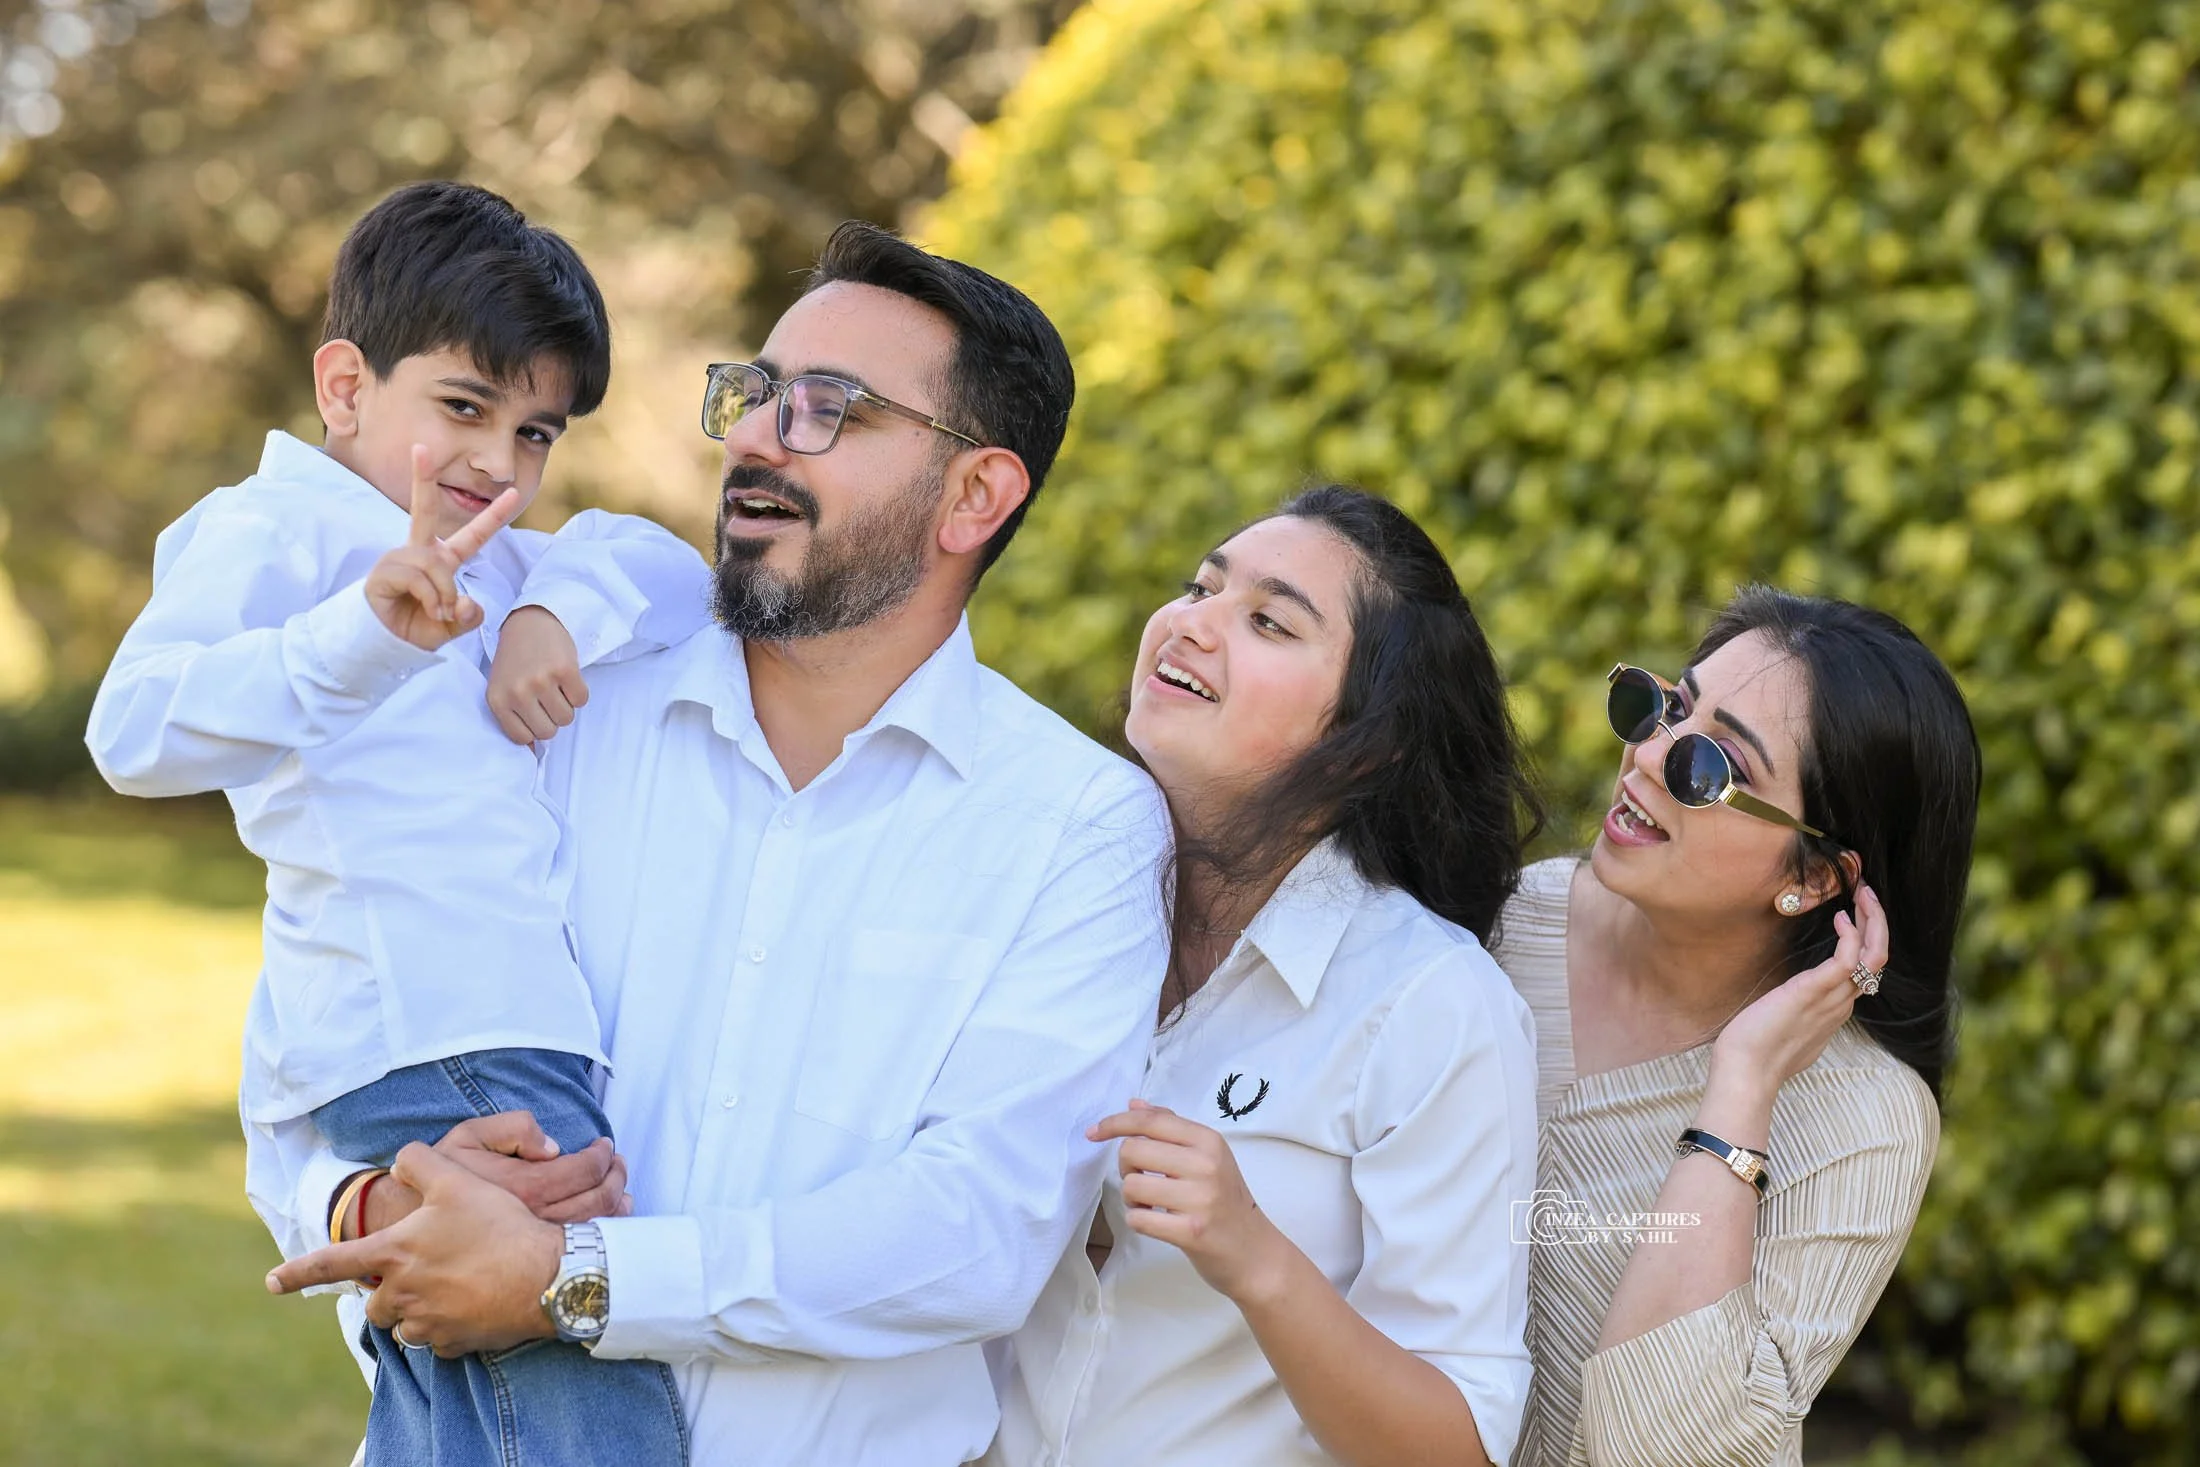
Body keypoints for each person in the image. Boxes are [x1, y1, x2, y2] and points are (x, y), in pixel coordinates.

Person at [266, 221, 1174, 1467]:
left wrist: (570, 1278)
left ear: (976, 493)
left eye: (827, 411)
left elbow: (978, 1230)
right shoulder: (541, 710)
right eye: (753, 395)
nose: (752, 436)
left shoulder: (1081, 826)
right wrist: (377, 1202)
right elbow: (321, 1037)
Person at [85, 181, 711, 1464]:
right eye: (465, 408)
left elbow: (666, 565)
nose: (500, 462)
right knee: (580, 1400)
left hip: (506, 1028)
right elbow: (131, 730)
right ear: (345, 388)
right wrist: (358, 635)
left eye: (537, 433)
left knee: (462, 1378)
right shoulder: (280, 529)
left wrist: (548, 617)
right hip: (440, 1029)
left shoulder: (503, 567)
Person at [987, 485, 1544, 1467]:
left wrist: (1255, 1259)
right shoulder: (1036, 907)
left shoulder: (1428, 1002)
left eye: (1267, 621)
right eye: (1198, 587)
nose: (1190, 624)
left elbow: (1453, 1446)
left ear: (1365, 742)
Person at [1494, 586, 1981, 1467]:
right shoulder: (1498, 931)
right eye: (1667, 708)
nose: (1648, 755)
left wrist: (1743, 1083)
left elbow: (1662, 1448)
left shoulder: (1864, 1120)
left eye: (1714, 768)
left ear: (1818, 876)